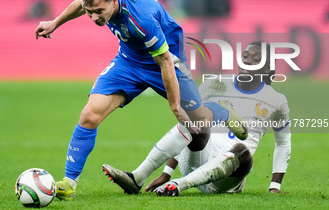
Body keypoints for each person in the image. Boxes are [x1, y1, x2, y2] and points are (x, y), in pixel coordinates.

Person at [34, 0, 247, 200]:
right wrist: (55, 22)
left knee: (201, 124)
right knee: (90, 115)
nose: (95, 17)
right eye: (90, 11)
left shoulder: (141, 18)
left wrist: (175, 107)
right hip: (129, 62)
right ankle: (68, 183)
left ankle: (221, 110)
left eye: (99, 11)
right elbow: (80, 3)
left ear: (114, 0)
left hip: (167, 61)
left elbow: (164, 61)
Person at [104, 41, 291, 195]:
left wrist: (275, 186)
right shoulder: (214, 84)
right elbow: (188, 125)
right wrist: (166, 173)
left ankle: (179, 185)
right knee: (196, 121)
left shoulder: (277, 101)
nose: (248, 62)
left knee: (243, 151)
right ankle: (137, 178)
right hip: (199, 157)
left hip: (228, 178)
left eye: (256, 60)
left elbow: (283, 144)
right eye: (245, 57)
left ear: (267, 68)